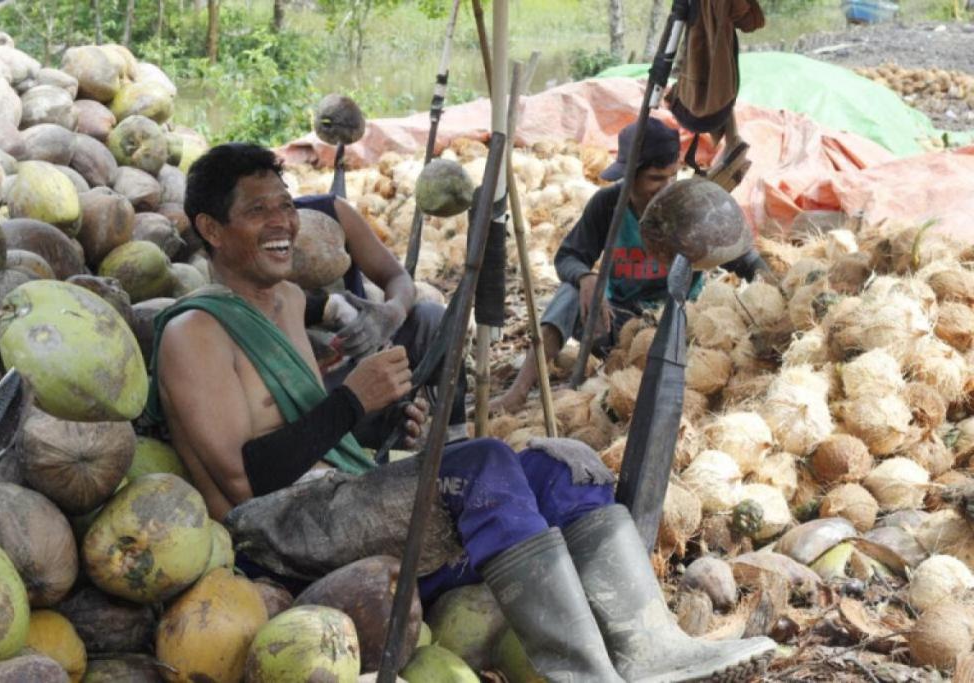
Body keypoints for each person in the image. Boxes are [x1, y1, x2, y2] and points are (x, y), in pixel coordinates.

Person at [146, 142, 774, 681]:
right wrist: (351, 400)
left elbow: (311, 430)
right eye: (258, 210)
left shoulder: (284, 299)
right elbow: (246, 480)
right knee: (482, 464)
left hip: (330, 495)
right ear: (210, 227)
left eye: (285, 205)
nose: (282, 222)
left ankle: (650, 649)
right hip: (272, 532)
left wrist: (381, 420)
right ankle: (582, 672)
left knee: (566, 465)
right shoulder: (194, 333)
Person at [492, 118, 699, 414]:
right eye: (655, 178)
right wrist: (586, 277)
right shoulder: (608, 204)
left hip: (675, 327)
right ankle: (519, 391)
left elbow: (739, 253)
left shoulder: (688, 206)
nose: (666, 187)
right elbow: (568, 256)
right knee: (568, 292)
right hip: (617, 322)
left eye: (672, 177)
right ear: (629, 177)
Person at [291, 193, 468, 446]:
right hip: (311, 385)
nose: (278, 215)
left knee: (433, 319)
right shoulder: (232, 254)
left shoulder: (331, 211)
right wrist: (329, 308)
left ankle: (455, 440)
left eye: (282, 202)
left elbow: (397, 277)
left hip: (366, 353)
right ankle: (381, 439)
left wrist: (392, 311)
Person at [667, 0, 766, 187]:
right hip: (709, 87)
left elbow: (748, 21)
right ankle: (731, 143)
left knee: (708, 94)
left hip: (709, 87)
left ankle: (731, 144)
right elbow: (748, 21)